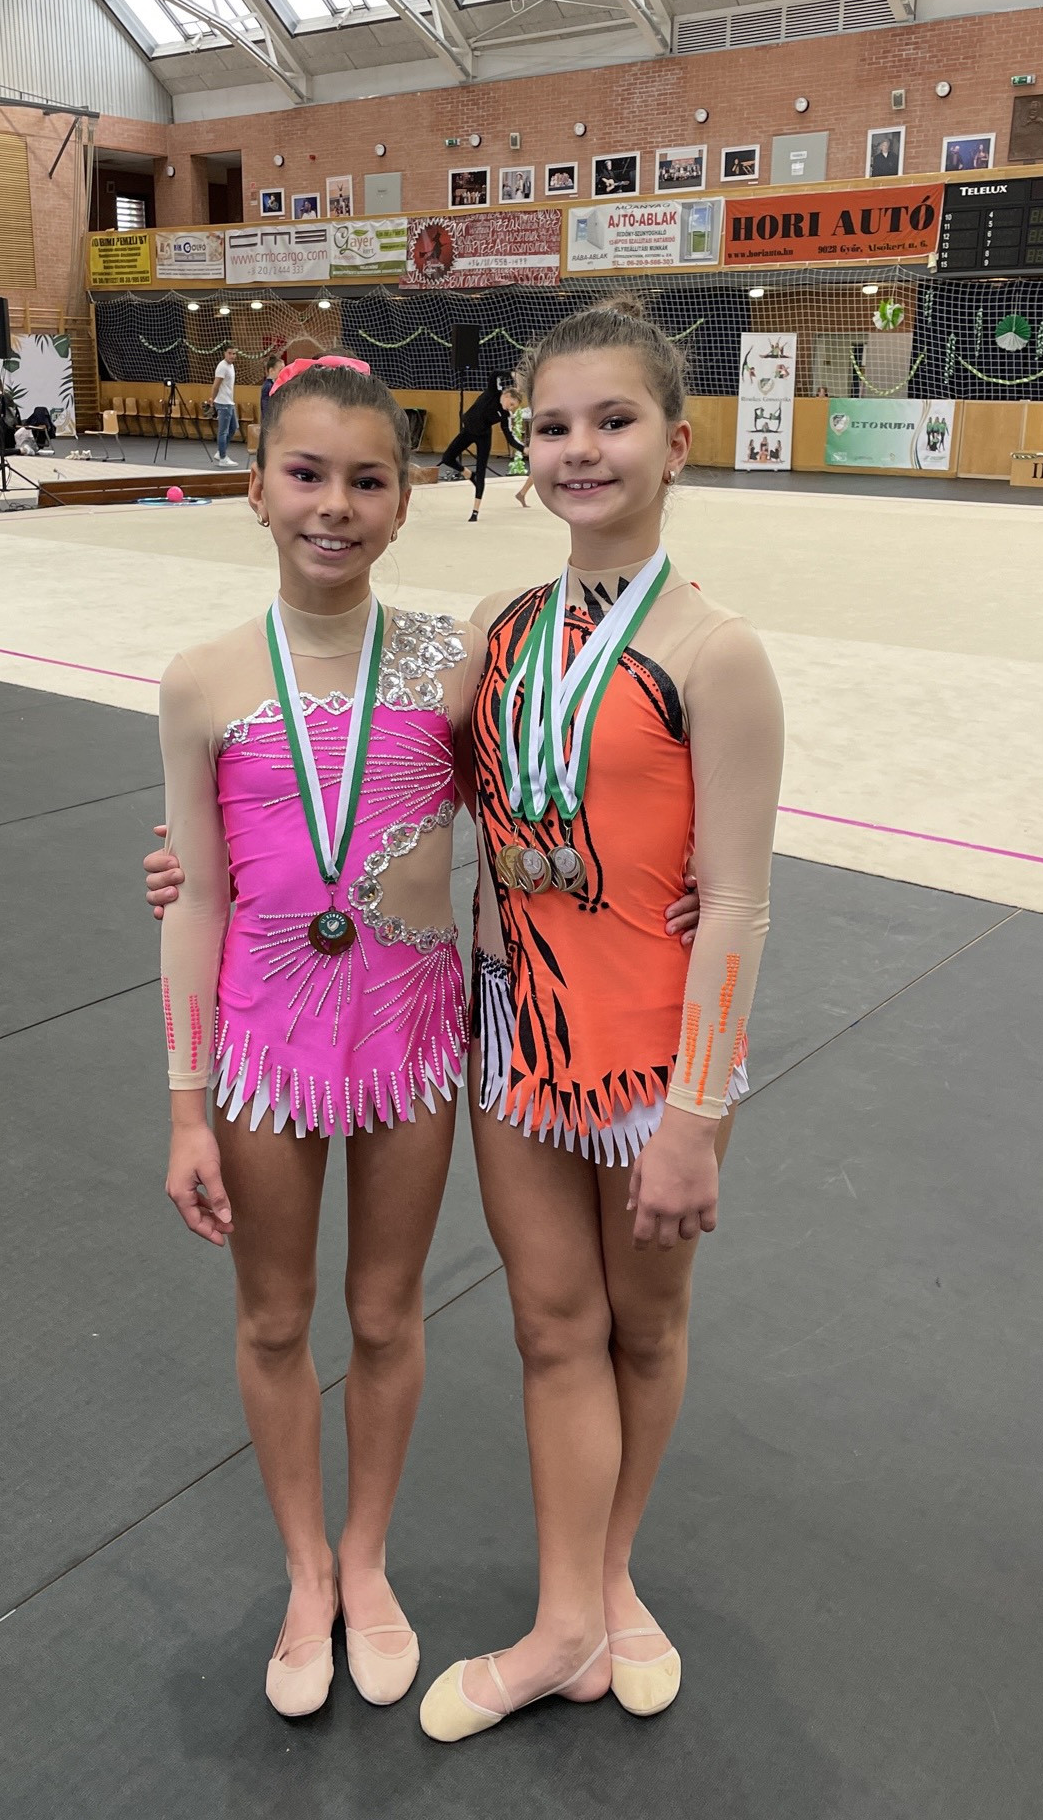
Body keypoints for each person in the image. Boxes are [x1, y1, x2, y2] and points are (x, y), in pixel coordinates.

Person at [420, 296, 784, 1740]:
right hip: (516, 1035)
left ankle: (609, 1573)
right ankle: (569, 1613)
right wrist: (214, 839)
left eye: (613, 421)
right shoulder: (493, 630)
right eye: (555, 424)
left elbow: (737, 903)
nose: (580, 449)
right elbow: (380, 773)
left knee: (642, 1328)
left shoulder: (715, 652)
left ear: (676, 444)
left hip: (654, 1060)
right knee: (550, 1326)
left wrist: (694, 1116)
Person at [157, 354, 486, 1721]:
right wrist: (186, 1104)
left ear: (404, 502)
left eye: (367, 480)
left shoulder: (453, 663)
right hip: (262, 1042)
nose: (333, 505)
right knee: (277, 1314)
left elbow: (558, 797)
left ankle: (367, 1554)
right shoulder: (203, 680)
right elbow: (197, 900)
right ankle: (305, 1567)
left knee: (387, 1312)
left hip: (411, 1033)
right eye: (305, 474)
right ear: (256, 488)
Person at [438, 372, 513, 523]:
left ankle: (475, 511)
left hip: (484, 437)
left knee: (481, 472)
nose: (511, 408)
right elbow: (494, 375)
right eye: (511, 404)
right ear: (506, 396)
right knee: (447, 458)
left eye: (514, 407)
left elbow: (509, 437)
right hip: (468, 431)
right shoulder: (493, 393)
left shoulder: (505, 414)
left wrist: (523, 449)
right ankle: (468, 474)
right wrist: (511, 374)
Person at [210, 346, 238, 464]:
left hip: (229, 402)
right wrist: (212, 399)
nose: (232, 356)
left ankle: (220, 451)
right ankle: (222, 457)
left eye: (234, 354)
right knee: (223, 431)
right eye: (230, 353)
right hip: (222, 403)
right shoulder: (222, 366)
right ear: (224, 354)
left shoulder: (231, 366)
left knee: (233, 427)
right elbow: (216, 385)